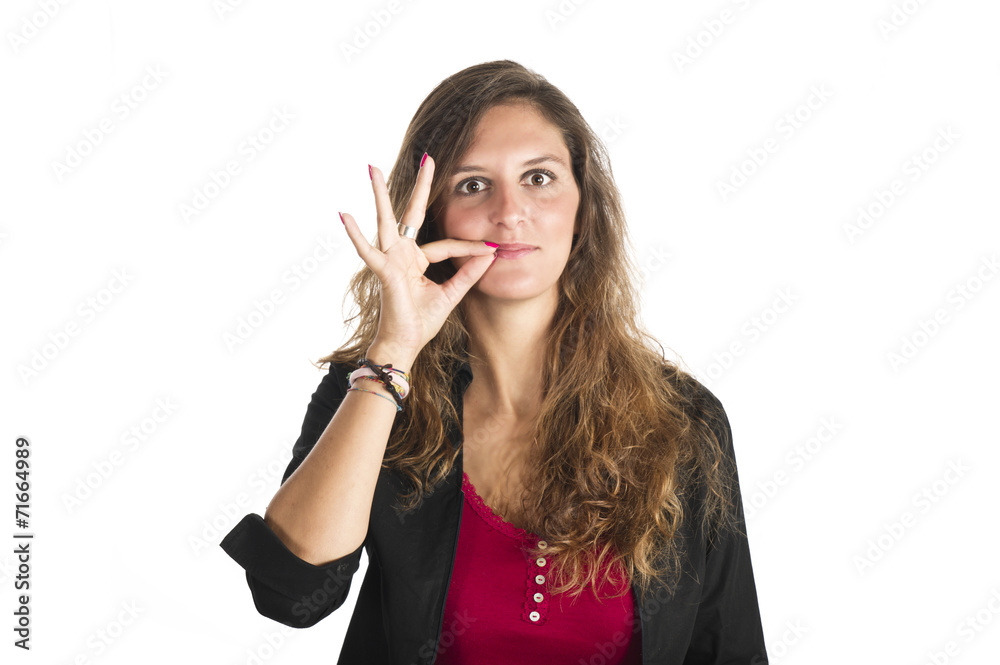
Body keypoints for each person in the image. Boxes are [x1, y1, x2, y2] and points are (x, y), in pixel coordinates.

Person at [221, 59, 767, 664]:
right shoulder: (375, 392)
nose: (510, 212)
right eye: (473, 184)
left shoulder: (682, 420)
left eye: (539, 178)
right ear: (432, 218)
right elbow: (292, 597)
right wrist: (393, 352)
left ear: (583, 206)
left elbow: (729, 650)